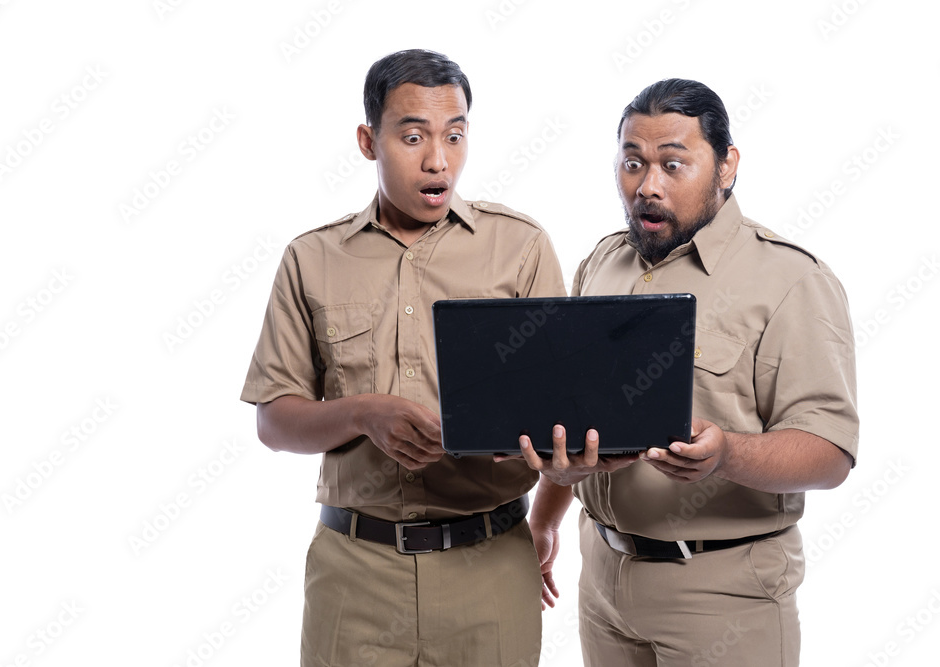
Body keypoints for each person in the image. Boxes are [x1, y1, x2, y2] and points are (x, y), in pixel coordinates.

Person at [240, 49, 566, 666]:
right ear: (369, 141)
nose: (438, 160)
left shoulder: (521, 248)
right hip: (354, 573)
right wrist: (361, 413)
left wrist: (540, 483)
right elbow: (273, 421)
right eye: (412, 136)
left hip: (490, 567)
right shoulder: (312, 258)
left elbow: (560, 411)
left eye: (455, 136)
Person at [520, 79, 859, 666]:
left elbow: (830, 453)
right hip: (602, 580)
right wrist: (545, 516)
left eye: (673, 164)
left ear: (726, 165)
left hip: (723, 593)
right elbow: (573, 410)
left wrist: (726, 453)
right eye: (633, 163)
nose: (647, 186)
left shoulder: (792, 281)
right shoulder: (602, 263)